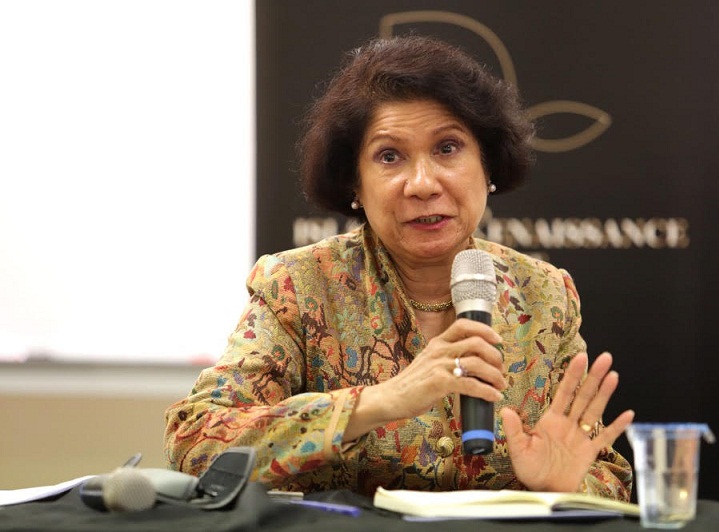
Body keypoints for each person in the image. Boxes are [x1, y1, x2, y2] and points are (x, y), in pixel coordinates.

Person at [164, 35, 634, 500]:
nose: (423, 183)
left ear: (487, 165)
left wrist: (569, 484)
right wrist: (377, 402)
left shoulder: (545, 293)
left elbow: (606, 476)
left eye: (448, 148)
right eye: (390, 156)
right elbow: (197, 439)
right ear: (355, 184)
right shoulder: (301, 285)